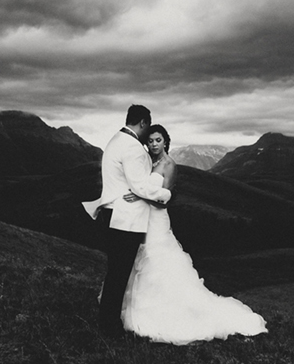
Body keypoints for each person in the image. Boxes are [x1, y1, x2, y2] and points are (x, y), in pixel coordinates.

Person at [120, 125, 268, 344]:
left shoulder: (169, 165)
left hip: (157, 221)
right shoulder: (148, 162)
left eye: (157, 140)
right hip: (142, 219)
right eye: (150, 140)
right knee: (140, 260)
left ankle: (165, 315)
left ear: (165, 142)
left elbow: (165, 198)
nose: (153, 144)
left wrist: (138, 195)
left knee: (157, 261)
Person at [79, 105, 172, 334]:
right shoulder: (131, 147)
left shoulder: (115, 140)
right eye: (147, 127)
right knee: (119, 274)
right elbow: (139, 185)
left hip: (114, 215)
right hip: (125, 219)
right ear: (142, 123)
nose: (147, 135)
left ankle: (108, 321)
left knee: (116, 272)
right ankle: (110, 326)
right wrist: (166, 195)